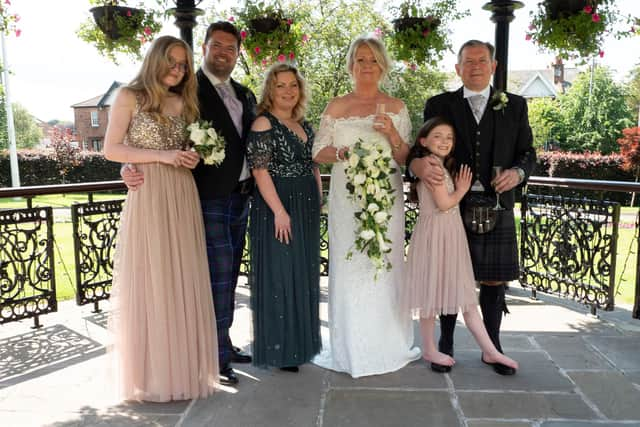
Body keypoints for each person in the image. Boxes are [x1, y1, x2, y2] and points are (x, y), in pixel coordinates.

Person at [122, 22, 257, 385]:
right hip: (205, 197)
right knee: (213, 277)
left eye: (231, 47)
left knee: (229, 277)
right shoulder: (191, 89)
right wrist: (127, 165)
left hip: (242, 197)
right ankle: (214, 358)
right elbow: (147, 130)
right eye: (217, 45)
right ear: (206, 48)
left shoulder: (244, 94)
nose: (223, 52)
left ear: (238, 53)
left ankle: (223, 343)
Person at [409, 40, 536, 375]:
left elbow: (528, 152)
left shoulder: (516, 105)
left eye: (482, 60)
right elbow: (418, 150)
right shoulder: (440, 103)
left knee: (494, 280)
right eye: (468, 61)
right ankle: (446, 343)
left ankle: (492, 347)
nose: (476, 66)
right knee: (449, 276)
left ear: (493, 66)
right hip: (452, 206)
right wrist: (416, 167)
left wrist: (518, 172)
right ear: (457, 68)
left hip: (498, 204)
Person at [103, 35, 218, 401]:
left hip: (182, 193)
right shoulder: (129, 96)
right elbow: (111, 148)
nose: (178, 70)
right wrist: (150, 161)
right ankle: (151, 374)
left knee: (181, 277)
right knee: (152, 278)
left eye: (183, 64)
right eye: (172, 62)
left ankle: (182, 370)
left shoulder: (184, 101)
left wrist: (189, 157)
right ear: (155, 59)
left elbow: (185, 149)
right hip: (149, 194)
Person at [312, 36, 421, 378]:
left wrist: (392, 134)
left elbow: (406, 158)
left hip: (385, 197)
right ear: (351, 65)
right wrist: (344, 155)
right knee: (350, 261)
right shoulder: (335, 106)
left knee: (385, 261)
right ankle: (349, 344)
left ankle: (386, 341)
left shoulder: (397, 106)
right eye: (360, 60)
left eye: (372, 60)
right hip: (346, 196)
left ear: (382, 66)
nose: (366, 66)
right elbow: (318, 152)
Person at [403, 117, 519, 374]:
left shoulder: (441, 165)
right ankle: (432, 348)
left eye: (449, 138)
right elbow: (444, 204)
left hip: (449, 234)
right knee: (431, 296)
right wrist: (463, 188)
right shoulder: (431, 165)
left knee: (464, 297)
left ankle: (490, 350)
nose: (444, 141)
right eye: (437, 136)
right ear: (423, 140)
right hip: (436, 235)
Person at [246, 63, 322, 372]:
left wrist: (319, 200)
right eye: (281, 85)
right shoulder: (263, 124)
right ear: (270, 90)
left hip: (305, 205)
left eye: (293, 85)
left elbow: (313, 164)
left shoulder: (305, 123)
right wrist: (279, 211)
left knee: (302, 274)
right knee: (281, 274)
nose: (288, 91)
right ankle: (282, 349)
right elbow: (259, 170)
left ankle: (301, 345)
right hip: (278, 205)